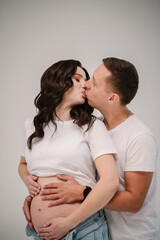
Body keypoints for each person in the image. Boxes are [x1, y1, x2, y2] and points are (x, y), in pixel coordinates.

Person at [23, 57, 159, 240]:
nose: (86, 85)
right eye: (82, 79)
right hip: (99, 223)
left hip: (131, 234)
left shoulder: (139, 137)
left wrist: (82, 193)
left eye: (92, 82)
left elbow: (134, 202)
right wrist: (37, 195)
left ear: (112, 98)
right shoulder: (94, 126)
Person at [18, 59, 119, 240]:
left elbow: (110, 182)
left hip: (83, 228)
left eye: (86, 80)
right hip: (40, 234)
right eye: (78, 79)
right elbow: (23, 164)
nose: (86, 85)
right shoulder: (33, 126)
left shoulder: (92, 126)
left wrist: (68, 223)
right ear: (58, 81)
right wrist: (28, 181)